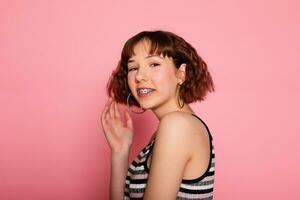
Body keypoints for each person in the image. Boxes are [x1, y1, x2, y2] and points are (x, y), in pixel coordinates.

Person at [101, 30, 215, 199]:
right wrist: (120, 151)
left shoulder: (177, 126)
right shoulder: (168, 129)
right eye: (133, 68)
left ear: (181, 74)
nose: (139, 76)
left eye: (154, 64)